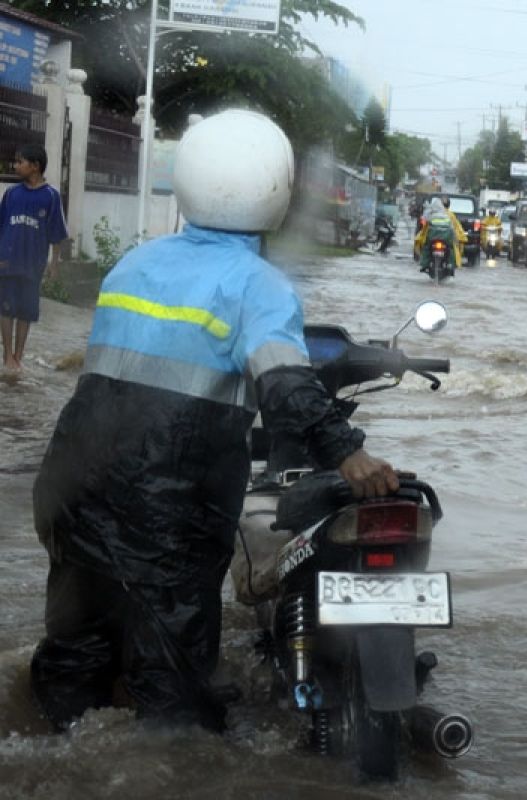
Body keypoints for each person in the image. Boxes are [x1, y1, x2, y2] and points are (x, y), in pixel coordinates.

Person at [29, 109, 401, 733]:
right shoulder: (259, 286)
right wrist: (349, 454)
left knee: (75, 658)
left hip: (71, 490)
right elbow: (285, 388)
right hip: (167, 508)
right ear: (277, 192)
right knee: (171, 691)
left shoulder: (133, 266)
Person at [0, 144, 68, 370]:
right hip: (7, 263)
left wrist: (53, 265)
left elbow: (57, 234)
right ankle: (7, 356)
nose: (15, 165)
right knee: (5, 308)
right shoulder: (10, 194)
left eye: (20, 162)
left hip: (33, 265)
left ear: (35, 166)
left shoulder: (51, 196)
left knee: (26, 311)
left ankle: (18, 357)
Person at [414, 196, 467, 271]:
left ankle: (424, 264)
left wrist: (419, 237)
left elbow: (424, 228)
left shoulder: (432, 213)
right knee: (452, 249)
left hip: (433, 238)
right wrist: (460, 238)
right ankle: (450, 265)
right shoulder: (450, 214)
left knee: (426, 247)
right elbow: (457, 228)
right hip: (446, 238)